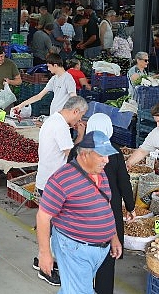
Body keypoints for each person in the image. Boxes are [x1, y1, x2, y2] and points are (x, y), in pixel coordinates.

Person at [37, 131, 123, 294]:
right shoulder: (61, 180)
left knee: (73, 289)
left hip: (97, 249)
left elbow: (106, 206)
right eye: (102, 155)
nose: (107, 160)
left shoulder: (100, 173)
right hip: (74, 248)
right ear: (84, 154)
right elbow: (43, 217)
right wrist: (45, 254)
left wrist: (114, 237)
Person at [67, 114, 135, 294]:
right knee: (106, 261)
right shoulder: (114, 151)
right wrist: (130, 206)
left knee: (82, 261)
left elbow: (68, 178)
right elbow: (124, 182)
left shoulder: (78, 150)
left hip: (80, 212)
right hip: (107, 213)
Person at [31, 95, 87, 285]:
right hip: (54, 185)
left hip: (46, 181)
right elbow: (72, 157)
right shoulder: (61, 126)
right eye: (80, 117)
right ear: (75, 111)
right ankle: (47, 268)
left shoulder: (52, 119)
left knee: (48, 226)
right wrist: (80, 135)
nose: (79, 121)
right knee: (54, 228)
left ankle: (40, 259)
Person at [13, 53, 77, 116]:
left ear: (55, 65)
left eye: (49, 66)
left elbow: (73, 97)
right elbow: (39, 96)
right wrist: (20, 105)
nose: (48, 69)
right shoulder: (54, 79)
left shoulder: (68, 79)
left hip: (64, 116)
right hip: (54, 114)